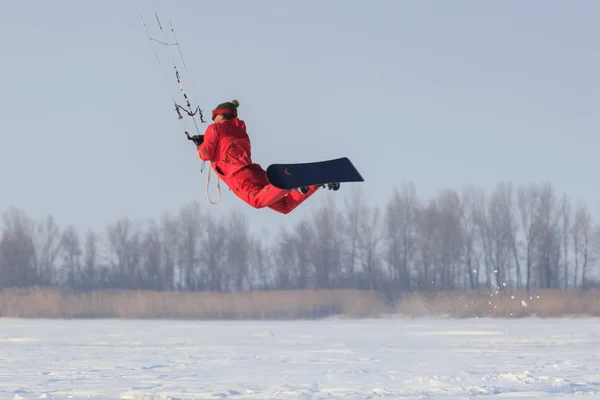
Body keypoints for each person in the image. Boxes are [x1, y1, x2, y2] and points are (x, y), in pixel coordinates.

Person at [188, 100, 339, 214]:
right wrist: (206, 141)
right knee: (285, 206)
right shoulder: (240, 132)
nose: (212, 120)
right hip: (254, 173)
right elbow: (224, 148)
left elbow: (205, 154)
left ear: (220, 115)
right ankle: (315, 183)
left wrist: (200, 144)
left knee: (256, 201)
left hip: (239, 177)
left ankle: (289, 181)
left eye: (214, 117)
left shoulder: (214, 128)